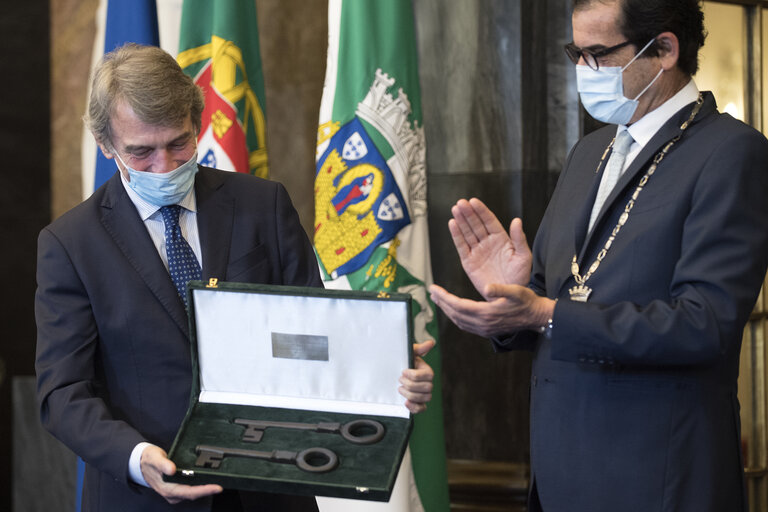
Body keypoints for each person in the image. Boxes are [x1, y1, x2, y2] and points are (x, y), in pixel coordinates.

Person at [35, 43, 435, 512]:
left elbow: (314, 333)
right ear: (106, 146)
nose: (164, 166)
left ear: (198, 124)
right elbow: (62, 393)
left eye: (179, 143)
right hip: (144, 497)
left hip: (272, 489)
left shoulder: (262, 205)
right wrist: (136, 457)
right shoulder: (70, 243)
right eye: (141, 152)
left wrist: (385, 362)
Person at [429, 0, 768, 511]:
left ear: (664, 50)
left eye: (598, 54)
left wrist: (546, 313)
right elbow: (554, 304)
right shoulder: (589, 153)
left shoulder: (730, 152)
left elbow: (706, 324)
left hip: (657, 478)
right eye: (575, 52)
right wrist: (516, 298)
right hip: (561, 473)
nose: (582, 71)